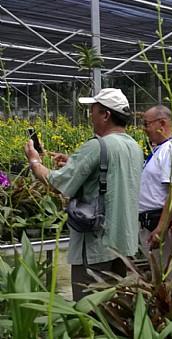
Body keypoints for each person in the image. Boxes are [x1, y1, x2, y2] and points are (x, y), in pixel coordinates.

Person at [24, 88, 144, 301]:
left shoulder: (97, 146)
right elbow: (110, 177)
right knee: (115, 307)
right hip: (124, 243)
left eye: (93, 110)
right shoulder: (134, 146)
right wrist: (74, 163)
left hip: (97, 243)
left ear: (106, 115)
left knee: (90, 310)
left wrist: (35, 161)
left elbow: (56, 184)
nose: (90, 115)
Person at [138, 105, 172, 271]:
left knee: (166, 277)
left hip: (159, 225)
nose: (144, 129)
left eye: (146, 124)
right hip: (149, 223)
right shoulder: (161, 148)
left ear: (162, 123)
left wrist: (160, 228)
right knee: (157, 275)